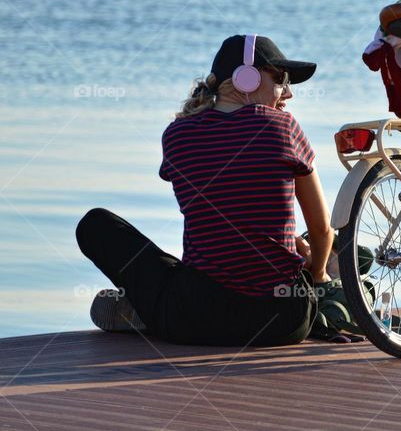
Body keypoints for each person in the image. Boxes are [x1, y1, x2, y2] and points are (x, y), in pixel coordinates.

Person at [76, 34, 334, 346]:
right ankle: (148, 308)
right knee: (327, 253)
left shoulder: (176, 135)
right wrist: (316, 273)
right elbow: (321, 230)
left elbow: (219, 214)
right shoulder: (283, 126)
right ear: (246, 78)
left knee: (96, 225)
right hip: (283, 321)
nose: (289, 93)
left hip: (195, 317)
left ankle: (145, 308)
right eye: (280, 79)